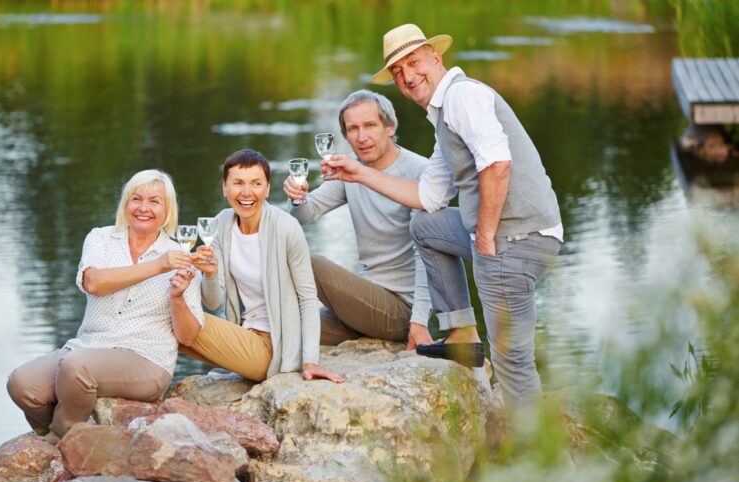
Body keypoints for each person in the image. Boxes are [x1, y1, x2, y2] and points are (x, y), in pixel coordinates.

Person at [326, 24, 562, 407]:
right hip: (509, 235)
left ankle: (534, 443)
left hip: (518, 237)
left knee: (512, 359)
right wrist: (360, 173)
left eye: (413, 62)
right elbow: (428, 197)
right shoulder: (444, 117)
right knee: (426, 225)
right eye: (398, 71)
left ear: (436, 58)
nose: (408, 76)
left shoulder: (462, 96)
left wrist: (484, 237)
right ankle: (461, 334)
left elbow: (497, 165)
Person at [7, 169, 203, 438]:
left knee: (77, 368)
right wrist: (158, 265)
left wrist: (177, 297)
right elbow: (94, 283)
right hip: (89, 346)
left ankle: (69, 442)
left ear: (168, 211)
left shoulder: (180, 255)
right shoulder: (100, 238)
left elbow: (188, 336)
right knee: (22, 384)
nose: (143, 208)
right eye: (136, 199)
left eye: (154, 201)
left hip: (146, 358)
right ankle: (82, 436)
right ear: (125, 204)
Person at [170, 149, 344, 383]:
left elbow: (308, 298)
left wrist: (310, 361)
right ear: (224, 187)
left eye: (256, 183)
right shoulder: (221, 223)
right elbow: (212, 302)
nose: (246, 192)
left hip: (274, 347)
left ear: (268, 188)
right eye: (238, 183)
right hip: (245, 334)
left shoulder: (286, 227)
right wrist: (210, 275)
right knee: (170, 323)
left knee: (174, 317)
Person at [283, 90, 432, 349]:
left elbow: (429, 256)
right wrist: (297, 198)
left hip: (401, 312)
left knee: (304, 258)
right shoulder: (352, 170)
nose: (361, 137)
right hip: (364, 304)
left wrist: (419, 323)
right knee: (284, 329)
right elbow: (304, 215)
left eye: (370, 125)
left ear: (389, 127)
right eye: (353, 129)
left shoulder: (419, 171)